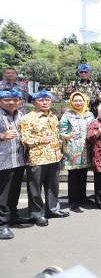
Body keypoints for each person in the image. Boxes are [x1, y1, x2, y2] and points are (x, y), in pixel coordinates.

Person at [19, 90, 69, 227]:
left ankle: (53, 209)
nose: (45, 102)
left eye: (47, 100)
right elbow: (24, 139)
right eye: (41, 100)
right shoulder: (27, 118)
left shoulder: (53, 116)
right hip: (37, 158)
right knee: (35, 189)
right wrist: (41, 139)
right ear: (34, 102)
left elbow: (57, 134)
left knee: (53, 186)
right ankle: (37, 214)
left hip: (54, 156)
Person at [59, 92, 95, 212]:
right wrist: (66, 135)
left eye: (81, 100)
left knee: (84, 174)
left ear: (85, 101)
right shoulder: (67, 115)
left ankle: (82, 197)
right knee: (73, 175)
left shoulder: (89, 114)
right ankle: (73, 200)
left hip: (86, 148)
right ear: (71, 102)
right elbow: (61, 130)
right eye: (76, 100)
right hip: (72, 150)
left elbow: (93, 128)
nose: (78, 103)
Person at [0, 90, 28, 240]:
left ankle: (13, 216)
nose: (11, 102)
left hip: (18, 160)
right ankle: (2, 225)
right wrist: (1, 136)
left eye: (15, 99)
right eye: (7, 99)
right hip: (3, 162)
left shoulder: (20, 115)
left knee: (14, 191)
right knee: (2, 195)